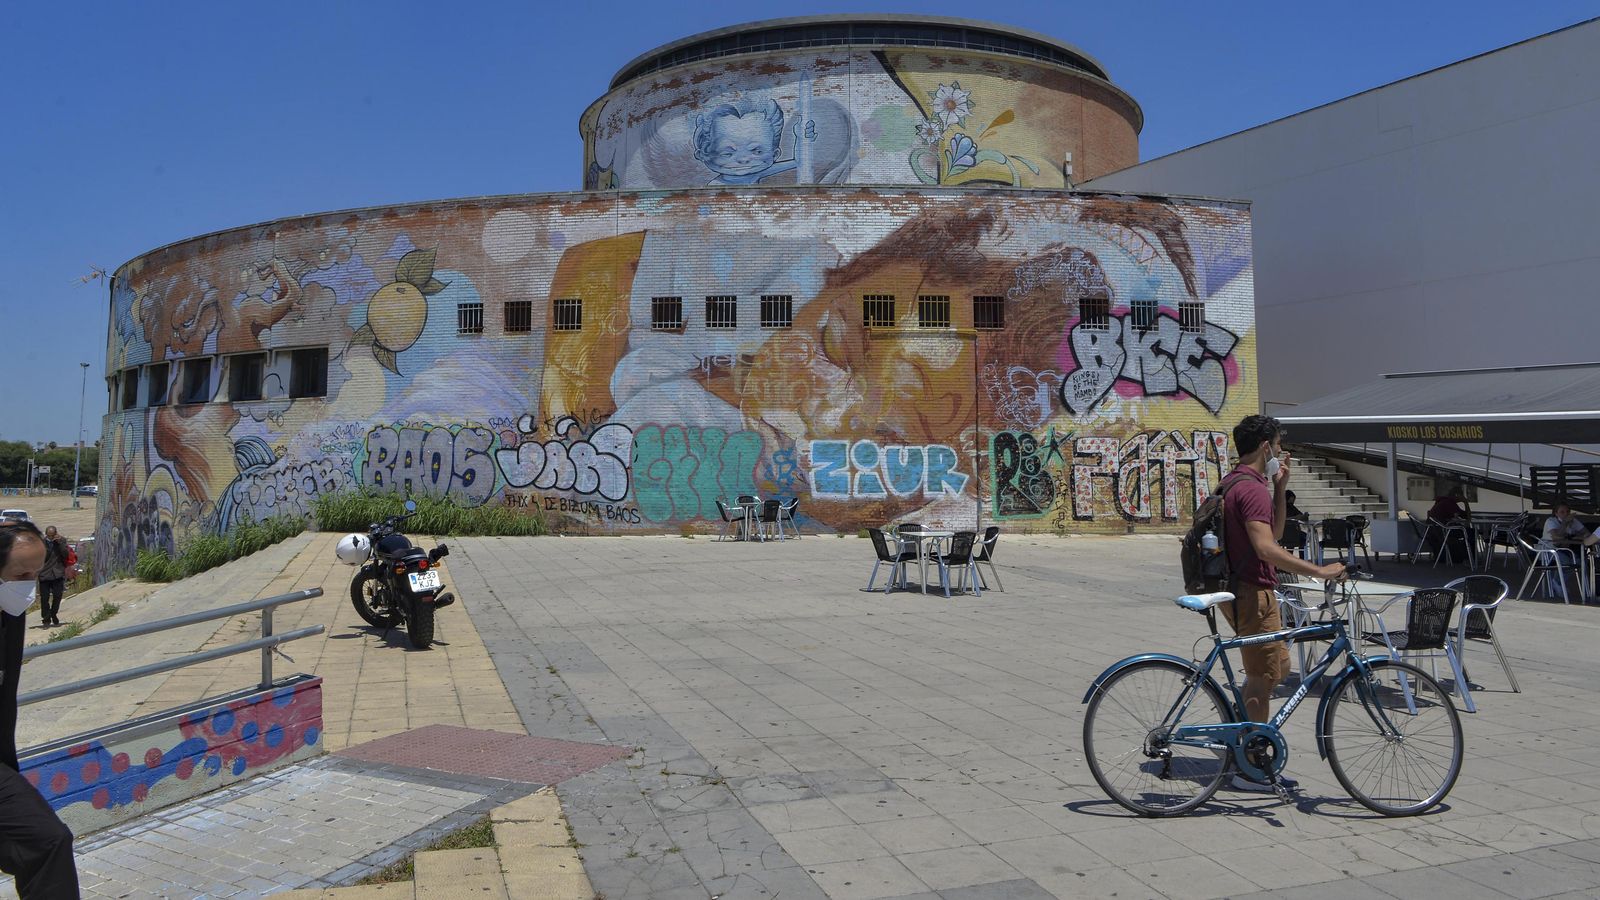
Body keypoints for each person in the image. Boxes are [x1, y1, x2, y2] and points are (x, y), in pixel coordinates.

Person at [1220, 415, 1346, 792]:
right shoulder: (1249, 488)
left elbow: (1271, 531)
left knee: (1277, 666)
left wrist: (1280, 487)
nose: (1279, 451)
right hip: (1252, 592)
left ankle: (1245, 734)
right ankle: (1250, 766)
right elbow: (1266, 548)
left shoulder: (1238, 482)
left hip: (1244, 590)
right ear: (1264, 447)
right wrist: (1318, 571)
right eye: (1276, 444)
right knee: (1262, 677)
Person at [0, 521, 80, 896]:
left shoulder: (9, 610)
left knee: (47, 844)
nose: (29, 583)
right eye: (22, 574)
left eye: (36, 571)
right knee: (45, 842)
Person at [35, 527, 69, 629]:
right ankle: (46, 619)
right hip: (45, 574)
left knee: (58, 596)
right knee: (44, 598)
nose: (51, 538)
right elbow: (40, 558)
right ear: (46, 535)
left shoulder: (61, 541)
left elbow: (65, 554)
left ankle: (53, 614)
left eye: (52, 535)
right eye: (49, 536)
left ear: (56, 534)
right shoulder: (41, 543)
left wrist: (60, 543)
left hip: (57, 573)